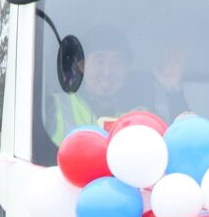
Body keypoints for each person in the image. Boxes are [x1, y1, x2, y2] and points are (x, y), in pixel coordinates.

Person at [46, 31, 186, 140]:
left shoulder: (142, 114)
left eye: (117, 61)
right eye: (99, 60)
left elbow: (185, 142)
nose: (107, 72)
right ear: (82, 65)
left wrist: (173, 89)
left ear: (127, 69)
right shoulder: (53, 106)